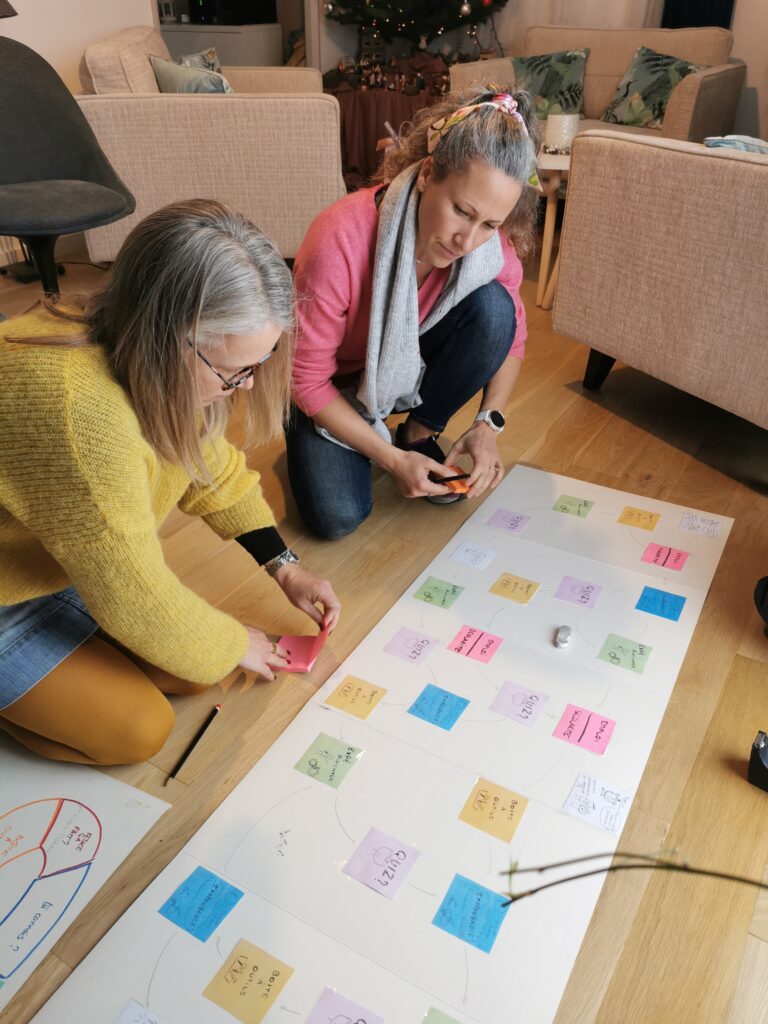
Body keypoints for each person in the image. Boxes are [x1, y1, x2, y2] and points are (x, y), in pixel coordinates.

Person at [0, 199, 340, 766]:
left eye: (257, 365)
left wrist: (286, 566)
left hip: (53, 559)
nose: (247, 386)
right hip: (10, 588)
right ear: (169, 335)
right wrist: (230, 641)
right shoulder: (81, 413)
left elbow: (211, 468)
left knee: (190, 674)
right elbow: (130, 593)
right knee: (140, 730)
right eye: (234, 371)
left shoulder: (143, 351)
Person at [286, 88, 540, 540]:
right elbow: (305, 378)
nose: (468, 240)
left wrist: (489, 425)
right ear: (427, 174)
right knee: (337, 517)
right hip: (329, 383)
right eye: (462, 211)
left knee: (496, 312)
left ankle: (417, 431)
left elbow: (512, 339)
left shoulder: (488, 248)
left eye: (491, 224)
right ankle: (351, 434)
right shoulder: (338, 239)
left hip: (403, 361)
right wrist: (390, 463)